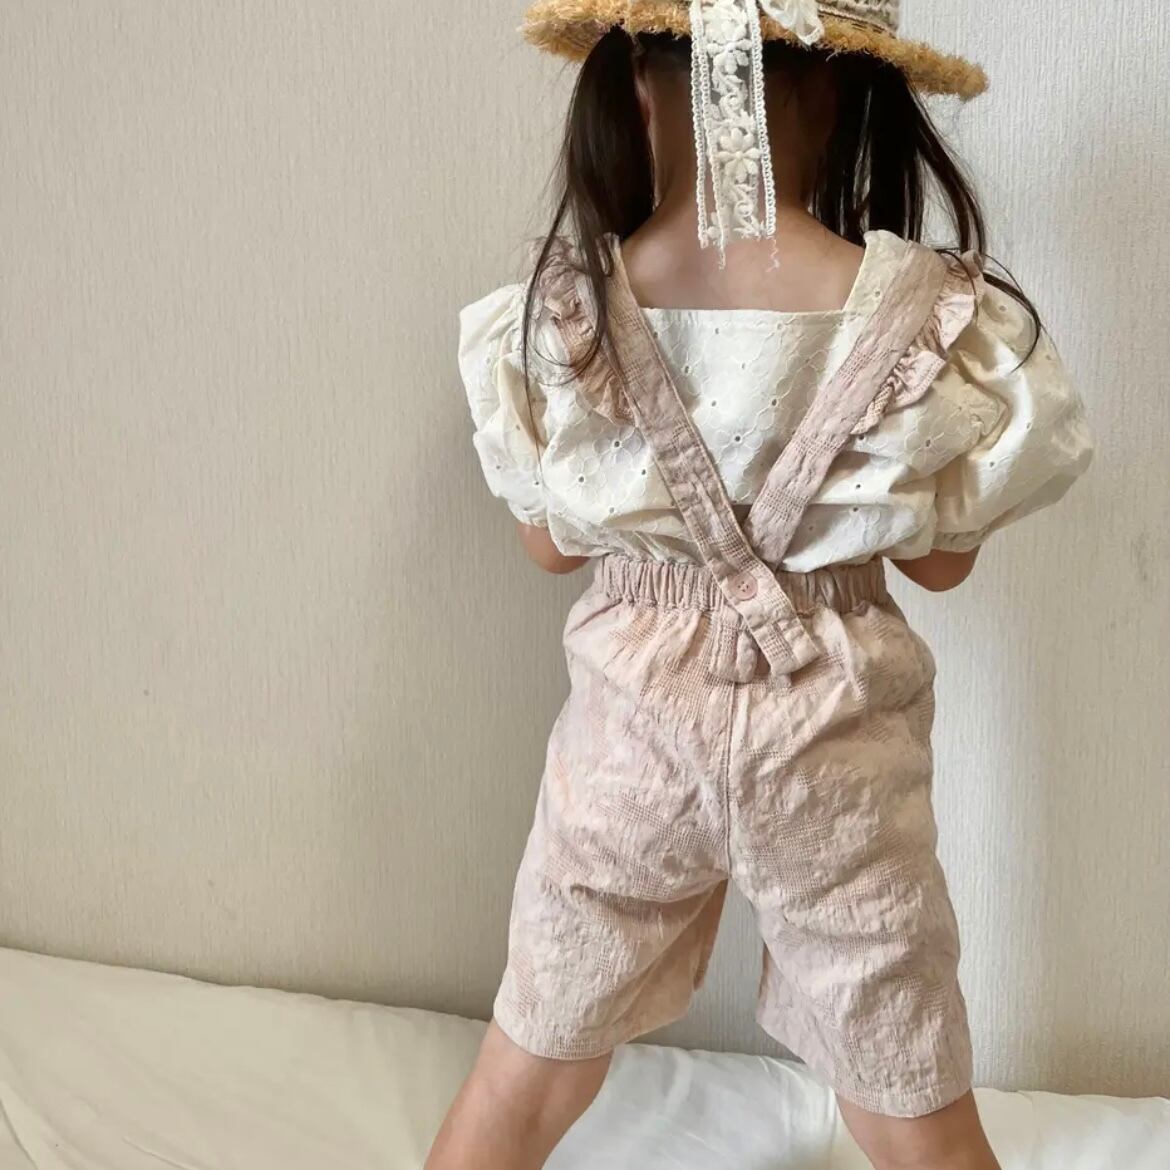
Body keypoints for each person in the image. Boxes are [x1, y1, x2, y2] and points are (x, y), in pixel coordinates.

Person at [434, 2, 1094, 1167]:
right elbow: (941, 562)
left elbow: (552, 547)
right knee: (909, 1092)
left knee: (528, 1067)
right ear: (839, 98)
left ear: (640, 90)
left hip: (630, 731)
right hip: (837, 727)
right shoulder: (929, 314)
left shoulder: (563, 309)